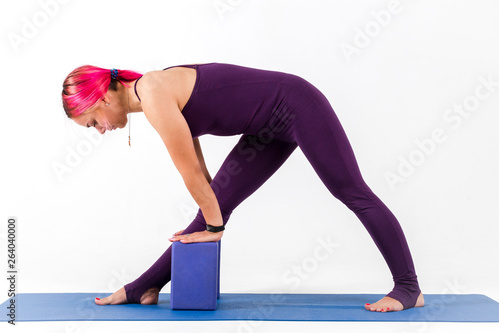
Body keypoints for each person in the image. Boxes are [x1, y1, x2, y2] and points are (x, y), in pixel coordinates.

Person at [61, 62, 424, 312]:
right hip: (266, 129)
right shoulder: (152, 93)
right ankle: (145, 287)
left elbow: (188, 173)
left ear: (103, 99)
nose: (101, 130)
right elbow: (199, 169)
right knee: (211, 209)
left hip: (297, 105)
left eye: (92, 122)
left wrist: (216, 225)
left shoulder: (153, 94)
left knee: (351, 191)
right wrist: (213, 219)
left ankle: (408, 288)